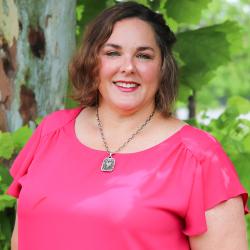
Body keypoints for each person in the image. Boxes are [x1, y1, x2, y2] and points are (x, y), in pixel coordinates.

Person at [7, 2, 249, 250]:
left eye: (143, 55)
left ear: (163, 67)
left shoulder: (199, 157)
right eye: (112, 53)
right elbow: (21, 240)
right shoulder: (52, 132)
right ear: (92, 61)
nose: (128, 67)